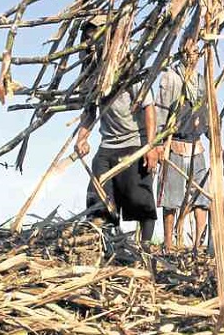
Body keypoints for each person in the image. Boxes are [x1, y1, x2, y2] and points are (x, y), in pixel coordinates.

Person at [74, 16, 159, 247]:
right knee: (99, 198)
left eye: (96, 37)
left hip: (133, 144)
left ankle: (145, 248)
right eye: (88, 38)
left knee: (137, 198)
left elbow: (148, 107)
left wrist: (150, 146)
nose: (91, 42)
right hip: (107, 147)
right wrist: (82, 138)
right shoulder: (91, 74)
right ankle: (108, 245)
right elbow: (90, 111)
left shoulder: (127, 67)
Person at [156, 35, 211, 253]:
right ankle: (169, 244)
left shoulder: (201, 81)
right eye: (189, 53)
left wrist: (214, 140)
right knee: (171, 198)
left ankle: (198, 244)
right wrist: (159, 144)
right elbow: (160, 110)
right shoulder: (171, 78)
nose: (192, 57)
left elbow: (208, 114)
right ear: (181, 53)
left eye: (196, 53)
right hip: (175, 143)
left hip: (196, 146)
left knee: (201, 197)